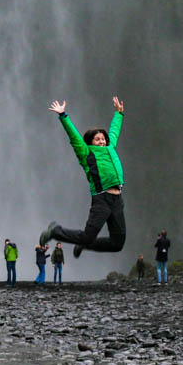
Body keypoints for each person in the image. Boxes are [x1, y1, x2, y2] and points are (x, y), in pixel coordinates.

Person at [39, 97, 127, 256]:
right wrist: (63, 115)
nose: (101, 141)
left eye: (103, 138)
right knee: (87, 236)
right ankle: (55, 231)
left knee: (117, 243)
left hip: (117, 199)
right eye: (97, 139)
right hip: (102, 199)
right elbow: (74, 137)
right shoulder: (86, 153)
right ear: (90, 142)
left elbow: (114, 131)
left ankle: (85, 245)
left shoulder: (110, 147)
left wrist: (119, 113)